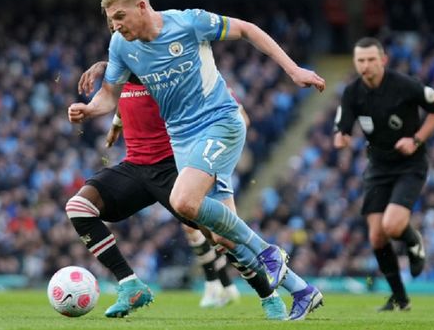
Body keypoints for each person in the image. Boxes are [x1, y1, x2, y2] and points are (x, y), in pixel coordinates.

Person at [68, 0, 325, 320]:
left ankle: (268, 253)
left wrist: (293, 70)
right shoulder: (121, 46)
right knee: (224, 238)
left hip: (219, 122)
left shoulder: (189, 23)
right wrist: (89, 110)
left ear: (141, 6)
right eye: (111, 19)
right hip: (183, 140)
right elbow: (108, 96)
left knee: (184, 200)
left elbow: (247, 29)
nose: (114, 26)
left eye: (119, 17)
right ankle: (301, 291)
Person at [69, 66, 284, 318]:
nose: (120, 35)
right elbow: (124, 87)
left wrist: (101, 66)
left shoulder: (162, 63)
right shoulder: (125, 62)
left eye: (122, 28)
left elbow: (140, 72)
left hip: (174, 167)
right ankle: (130, 285)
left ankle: (268, 294)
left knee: (221, 237)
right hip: (136, 165)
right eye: (115, 30)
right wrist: (117, 122)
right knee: (79, 207)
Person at [333, 37, 434, 312]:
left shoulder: (404, 85)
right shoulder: (352, 93)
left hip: (410, 164)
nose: (366, 65)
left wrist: (417, 139)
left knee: (393, 225)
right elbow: (343, 126)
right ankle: (400, 298)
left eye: (371, 59)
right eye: (360, 60)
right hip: (378, 167)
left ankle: (413, 240)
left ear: (383, 59)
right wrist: (341, 137)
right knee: (376, 237)